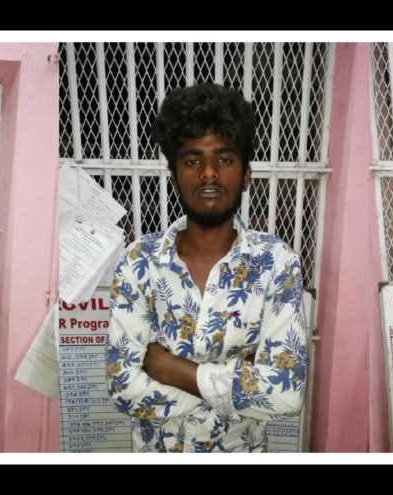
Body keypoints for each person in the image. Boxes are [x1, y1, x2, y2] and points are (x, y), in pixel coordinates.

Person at [106, 84, 307, 452]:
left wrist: (172, 370)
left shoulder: (277, 262)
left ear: (246, 175)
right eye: (192, 160)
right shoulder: (140, 261)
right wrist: (236, 388)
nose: (209, 173)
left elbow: (286, 395)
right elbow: (122, 387)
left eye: (225, 159)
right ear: (174, 175)